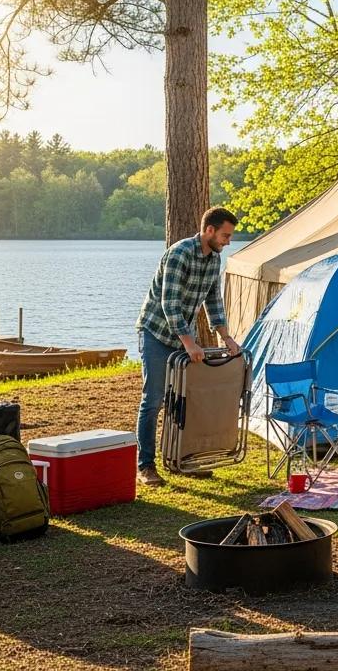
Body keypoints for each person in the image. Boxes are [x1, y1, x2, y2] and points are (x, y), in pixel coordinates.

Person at [135, 206, 241, 487]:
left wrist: (226, 337)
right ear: (209, 230)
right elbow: (170, 305)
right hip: (156, 333)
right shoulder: (179, 254)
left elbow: (213, 302)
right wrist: (189, 343)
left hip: (184, 337)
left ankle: (180, 461)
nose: (227, 241)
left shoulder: (214, 260)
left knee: (182, 400)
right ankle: (145, 466)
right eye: (225, 235)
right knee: (154, 399)